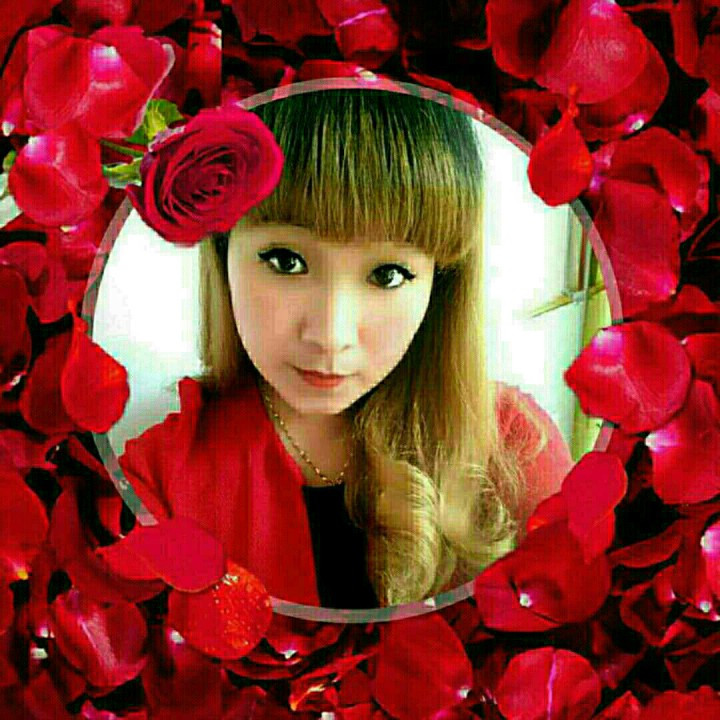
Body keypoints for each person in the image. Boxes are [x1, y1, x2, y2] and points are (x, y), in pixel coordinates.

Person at [118, 88, 573, 609]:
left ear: (440, 284)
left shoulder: (520, 453)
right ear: (222, 256)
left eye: (388, 274)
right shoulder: (157, 480)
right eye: (285, 261)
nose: (331, 336)